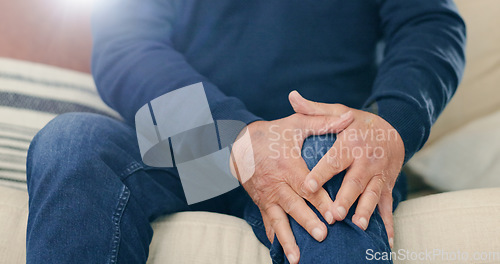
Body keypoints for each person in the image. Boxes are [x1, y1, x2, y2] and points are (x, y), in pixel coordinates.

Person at [26, 0, 466, 263]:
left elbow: (430, 24)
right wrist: (235, 137)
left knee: (328, 170)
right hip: (194, 145)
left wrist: (391, 122)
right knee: (72, 143)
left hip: (324, 143)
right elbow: (124, 46)